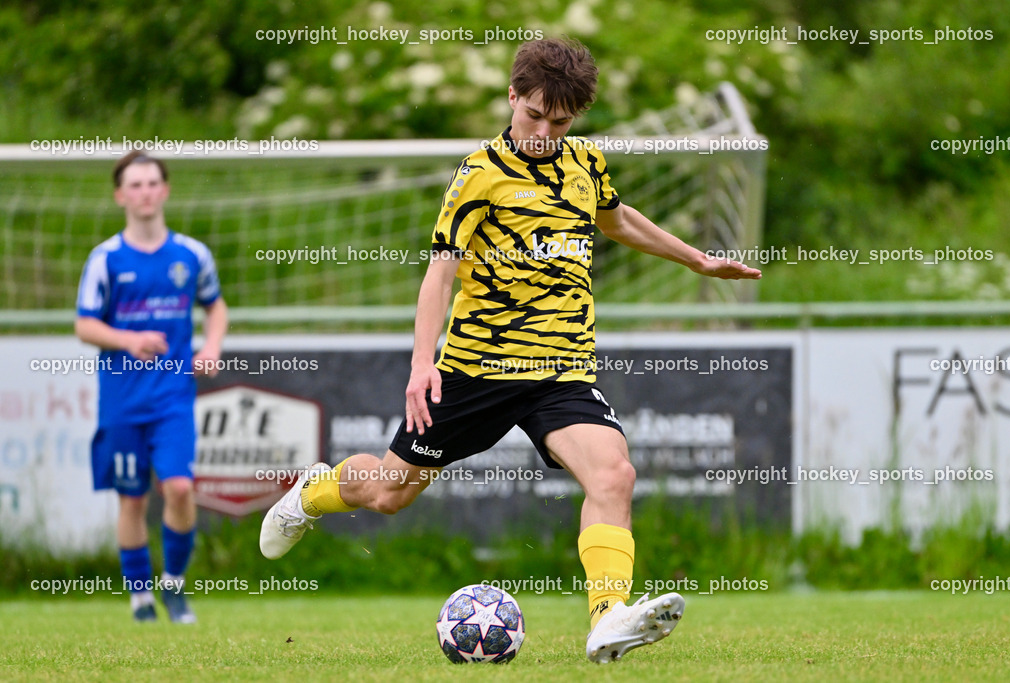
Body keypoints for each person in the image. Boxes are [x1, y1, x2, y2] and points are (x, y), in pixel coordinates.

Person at [260, 38, 760, 662]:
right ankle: (315, 491)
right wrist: (422, 366)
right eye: (535, 116)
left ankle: (607, 619)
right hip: (476, 369)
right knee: (390, 493)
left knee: (615, 474)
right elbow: (439, 273)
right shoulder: (480, 173)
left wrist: (699, 260)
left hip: (561, 370)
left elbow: (616, 218)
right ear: (513, 96)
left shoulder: (585, 165)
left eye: (561, 121)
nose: (545, 132)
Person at [76, 151, 228, 623]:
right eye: (134, 185)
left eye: (151, 183)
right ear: (121, 195)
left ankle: (175, 587)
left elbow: (216, 306)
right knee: (133, 498)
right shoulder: (105, 259)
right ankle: (140, 597)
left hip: (172, 397)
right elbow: (84, 325)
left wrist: (212, 346)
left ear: (165, 190)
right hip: (122, 400)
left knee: (181, 488)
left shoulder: (192, 254)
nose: (144, 192)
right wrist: (128, 339)